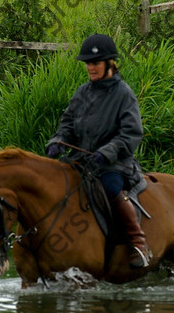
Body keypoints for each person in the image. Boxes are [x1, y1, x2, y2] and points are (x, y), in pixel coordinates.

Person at [45, 33, 151, 269]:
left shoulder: (124, 94)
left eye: (95, 63)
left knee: (112, 186)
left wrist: (106, 152)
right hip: (81, 161)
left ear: (109, 63)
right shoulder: (83, 92)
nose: (90, 68)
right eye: (88, 64)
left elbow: (131, 133)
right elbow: (68, 124)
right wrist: (58, 141)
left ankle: (139, 243)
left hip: (113, 164)